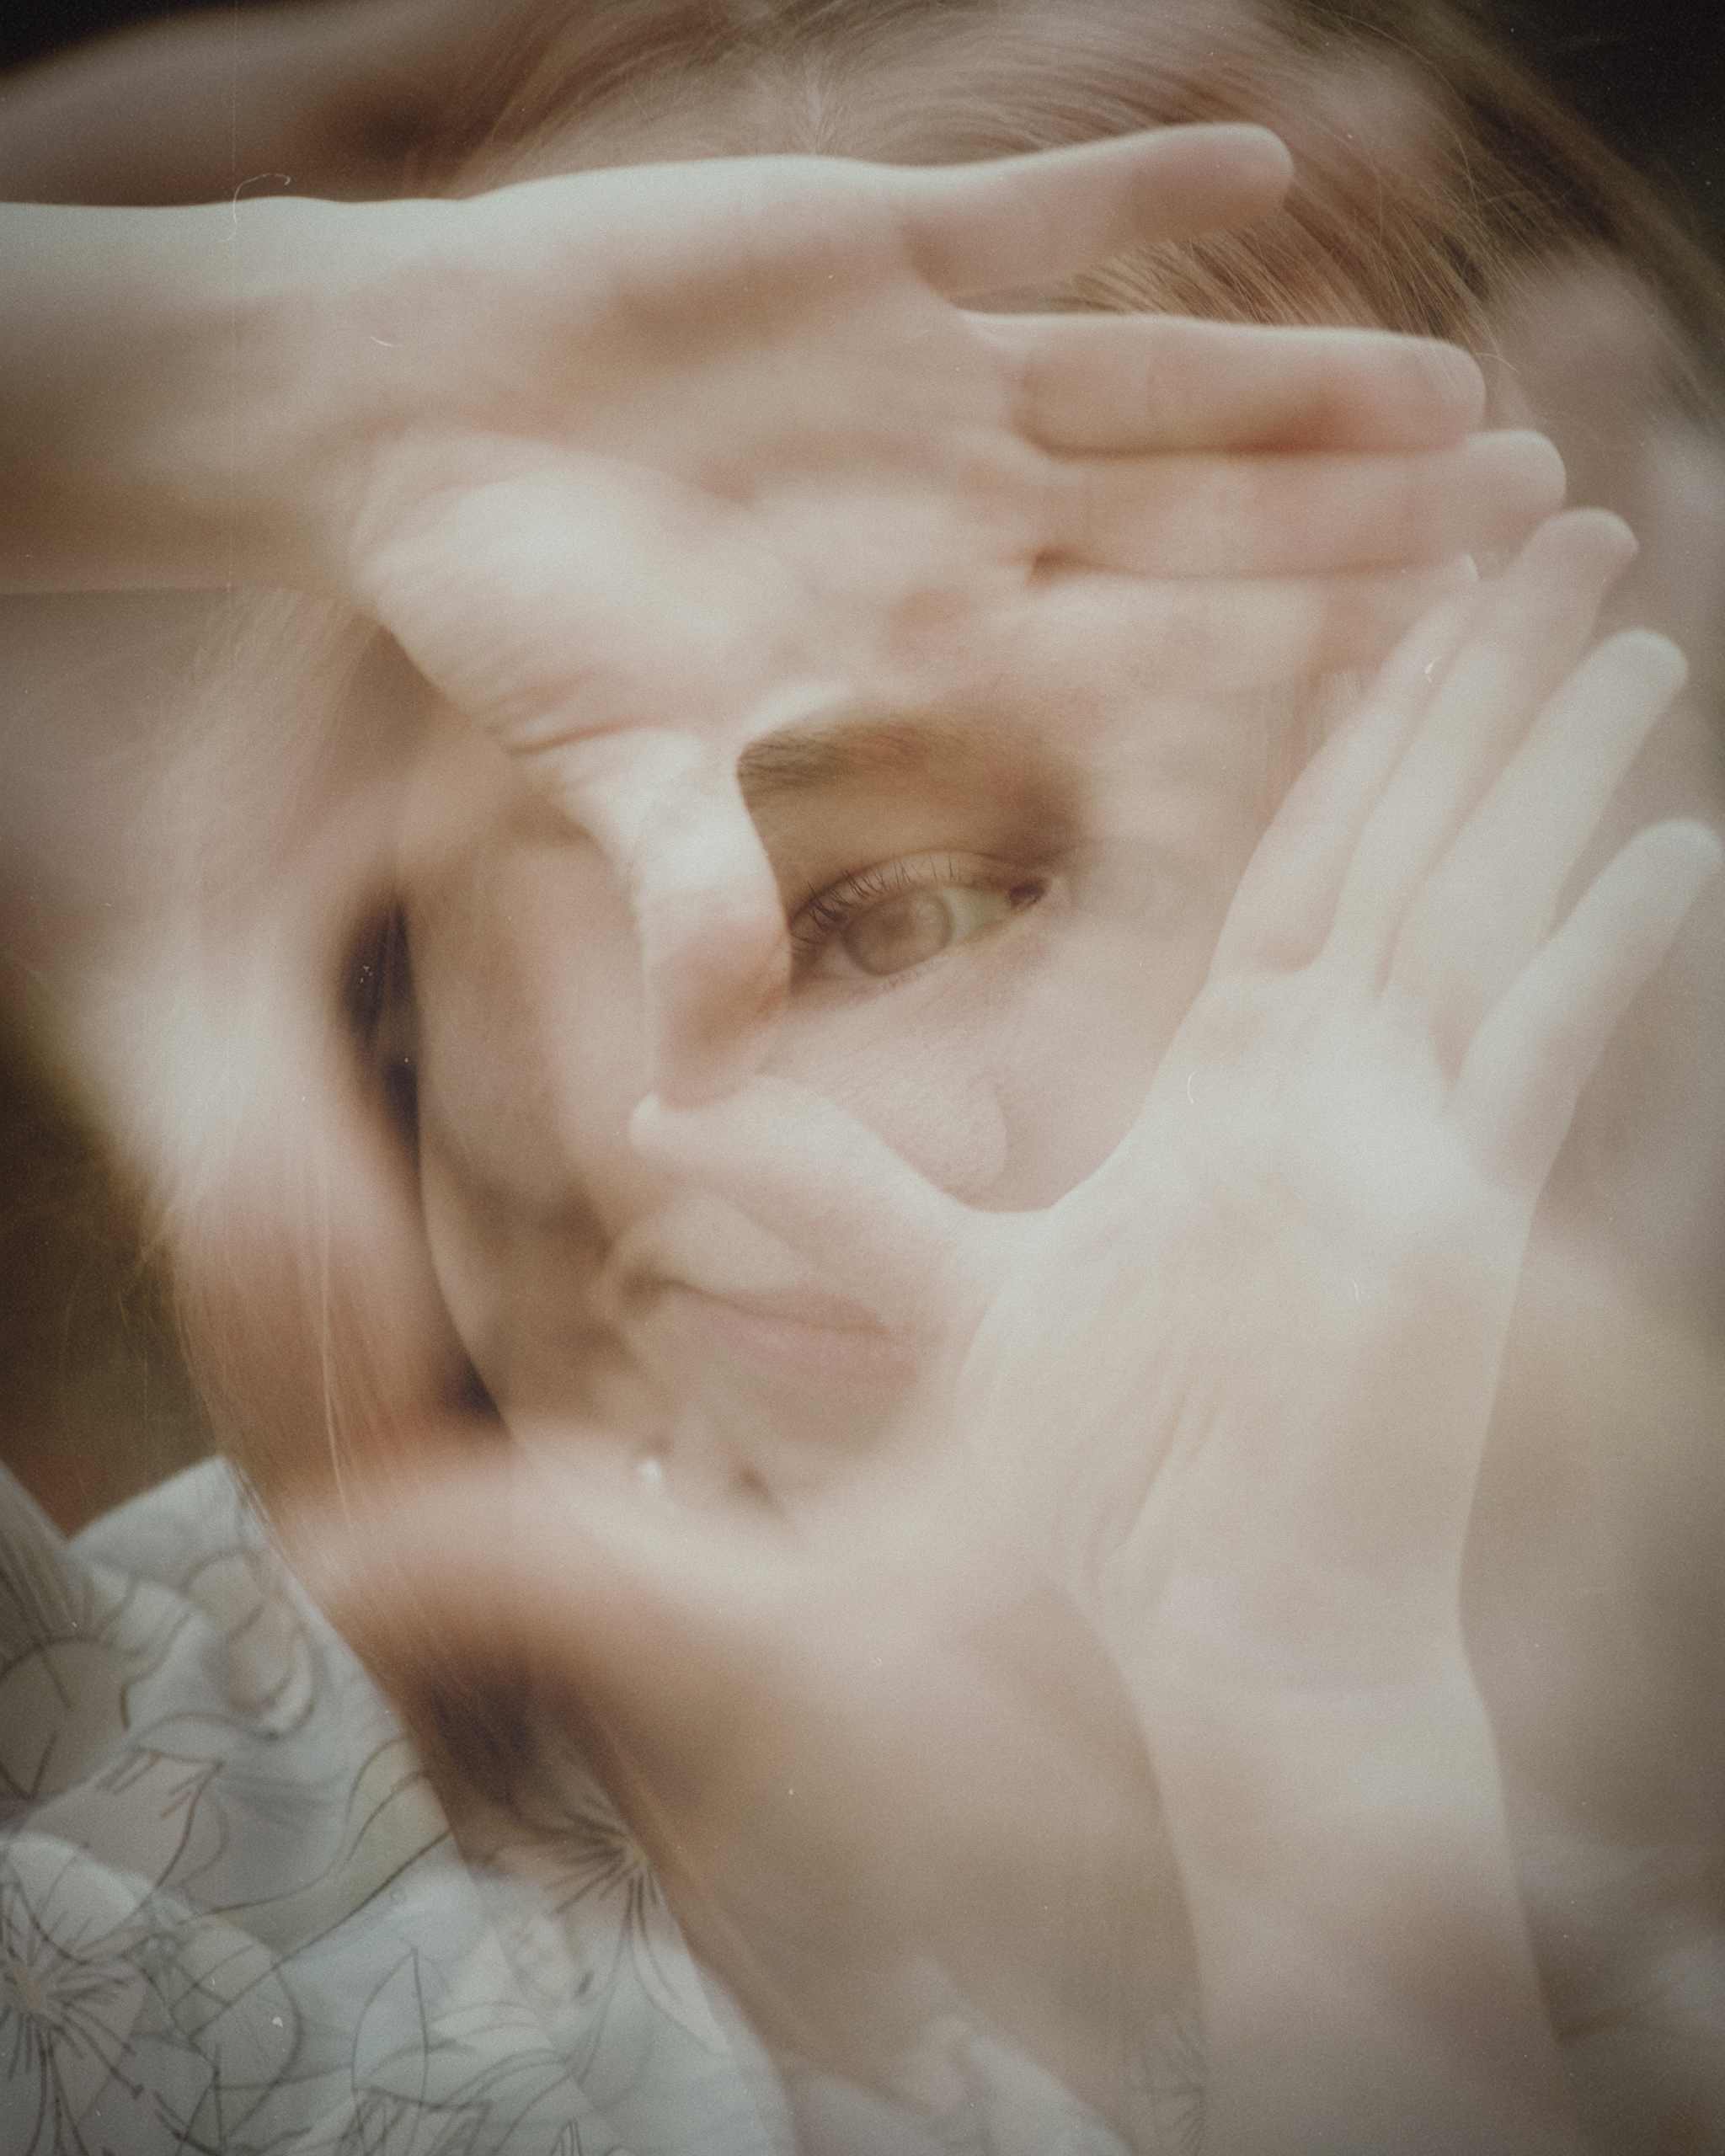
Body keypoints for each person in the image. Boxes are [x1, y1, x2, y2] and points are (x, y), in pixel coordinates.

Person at [3, 2, 1723, 2152]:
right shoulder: (146, 1911)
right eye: (901, 907)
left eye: (1440, 840)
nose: (1284, 1079)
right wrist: (312, 364)